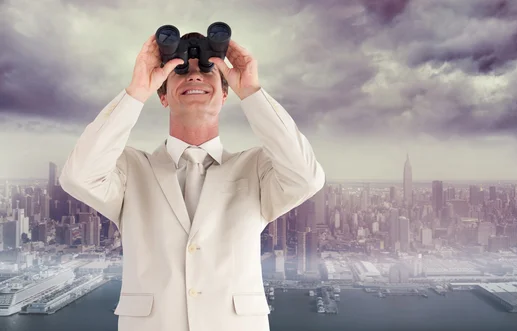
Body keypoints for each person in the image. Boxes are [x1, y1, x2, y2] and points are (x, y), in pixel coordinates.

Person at [58, 30, 325, 331]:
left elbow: (306, 177)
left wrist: (251, 90)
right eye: (181, 69)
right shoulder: (132, 170)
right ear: (162, 94)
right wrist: (136, 91)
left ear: (226, 94)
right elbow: (78, 177)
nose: (195, 76)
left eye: (207, 69)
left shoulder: (255, 168)